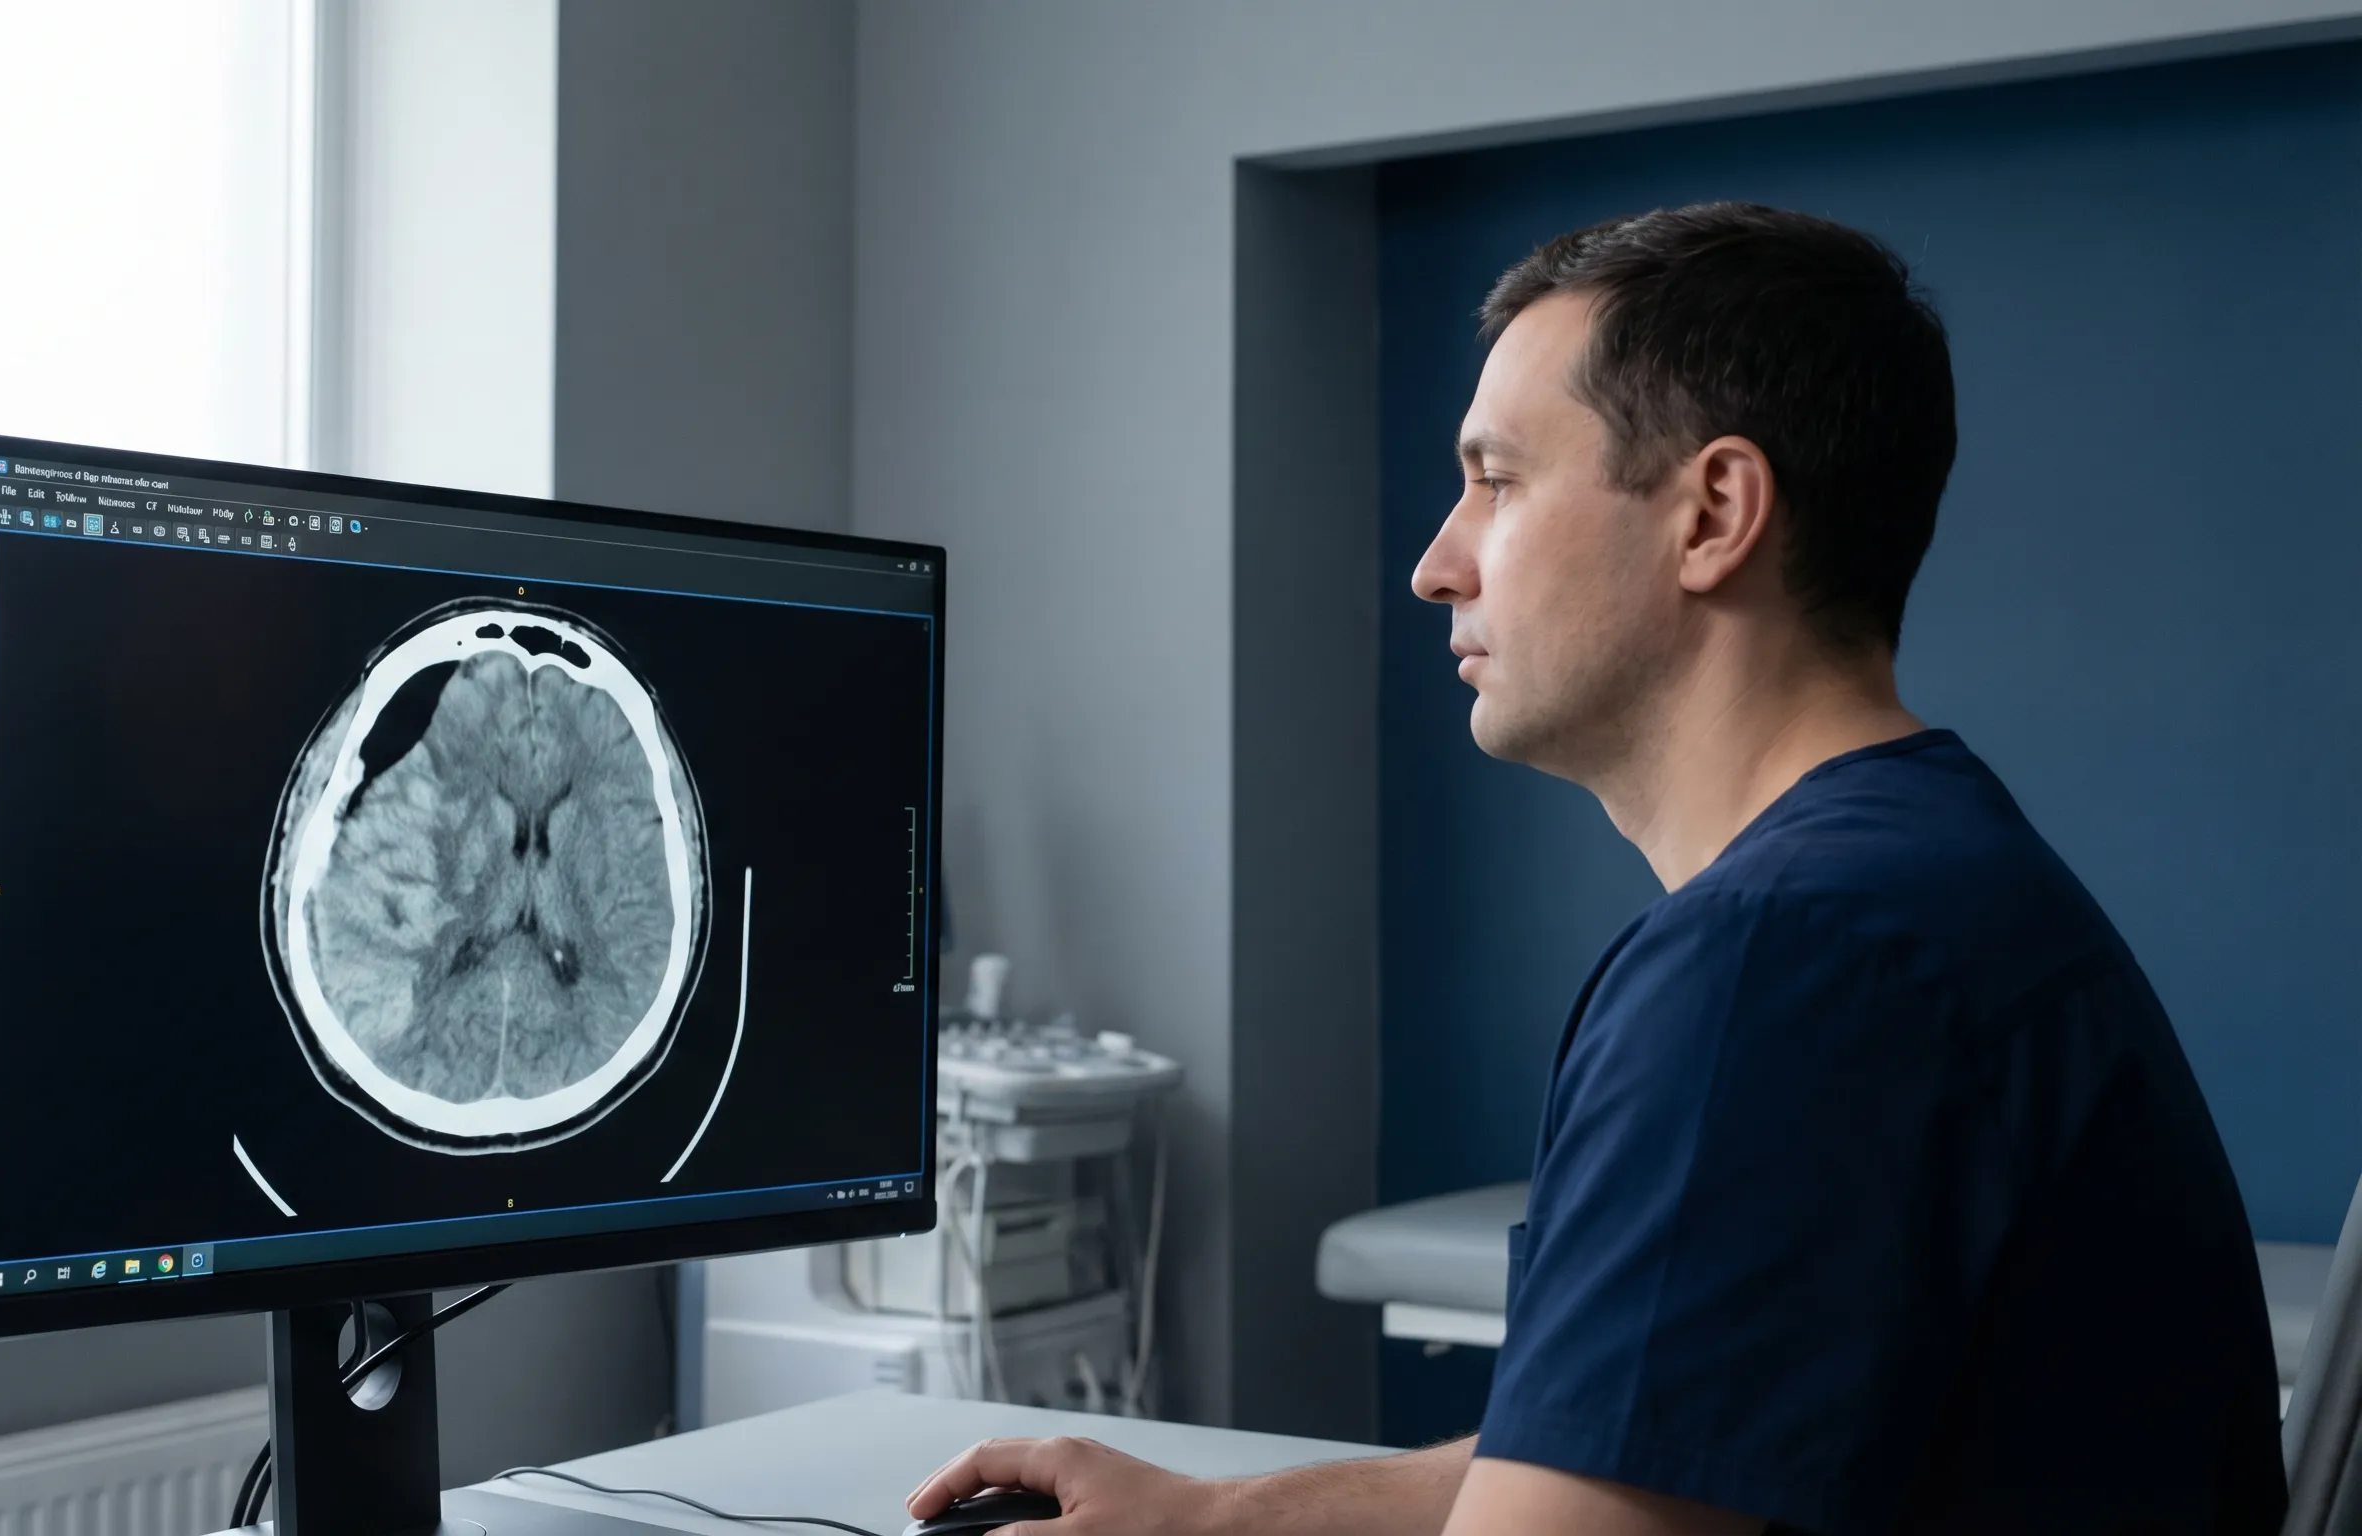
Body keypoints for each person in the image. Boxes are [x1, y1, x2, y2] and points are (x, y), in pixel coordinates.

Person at [904, 204, 2287, 1535]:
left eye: (1496, 482)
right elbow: (1612, 1451)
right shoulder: (1918, 881)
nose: (1437, 567)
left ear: (1712, 515)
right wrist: (1220, 1519)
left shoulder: (1783, 959)